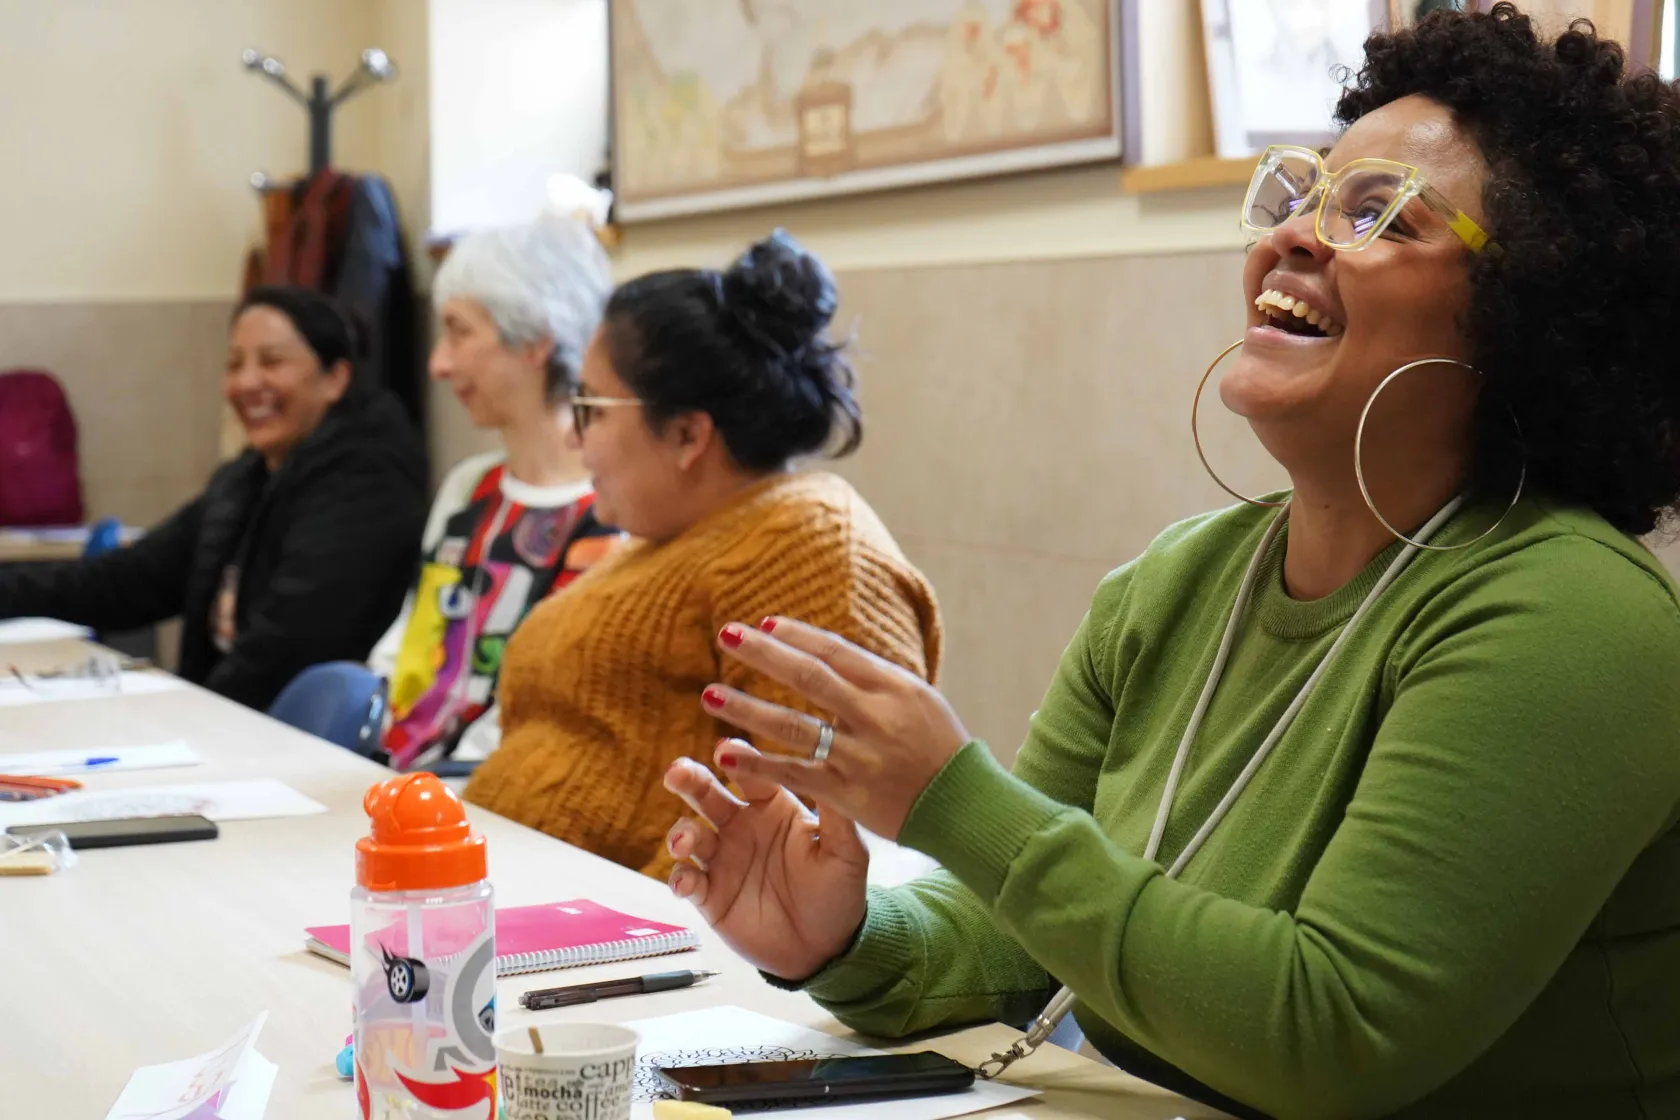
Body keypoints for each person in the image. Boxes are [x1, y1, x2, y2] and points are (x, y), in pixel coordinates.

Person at [663, 9, 1680, 1119]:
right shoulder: (1176, 582)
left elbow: (1333, 1032)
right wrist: (841, 934)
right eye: (1297, 194)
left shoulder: (1572, 614)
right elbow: (1017, 937)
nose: (1294, 236)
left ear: (1529, 306)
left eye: (1380, 213)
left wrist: (952, 801)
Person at [463, 231, 942, 879]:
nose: (578, 441)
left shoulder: (811, 551)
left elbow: (785, 838)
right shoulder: (678, 536)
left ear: (688, 433)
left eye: (592, 410)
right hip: (515, 899)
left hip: (619, 948)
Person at [0, 286, 428, 710]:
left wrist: (189, 717)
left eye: (272, 362)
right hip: (235, 721)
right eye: (234, 364)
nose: (246, 383)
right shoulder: (248, 476)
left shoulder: (369, 482)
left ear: (336, 377)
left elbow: (287, 646)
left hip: (300, 743)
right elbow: (130, 580)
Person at [367, 214, 623, 769]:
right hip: (392, 776)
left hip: (490, 797)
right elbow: (409, 642)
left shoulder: (609, 519)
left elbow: (540, 711)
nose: (438, 363)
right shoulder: (469, 489)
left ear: (534, 341)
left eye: (459, 332)